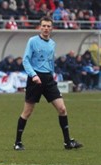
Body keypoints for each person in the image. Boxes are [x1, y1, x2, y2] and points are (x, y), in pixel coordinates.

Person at [13, 16, 83, 151]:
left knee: (62, 109)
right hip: (35, 79)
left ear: (51, 28)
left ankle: (67, 142)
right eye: (43, 26)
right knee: (27, 112)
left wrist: (52, 76)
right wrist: (33, 75)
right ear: (40, 27)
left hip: (48, 79)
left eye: (48, 26)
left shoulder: (52, 43)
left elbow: (50, 62)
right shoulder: (32, 41)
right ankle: (17, 142)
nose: (46, 28)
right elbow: (26, 61)